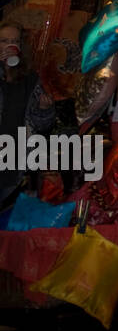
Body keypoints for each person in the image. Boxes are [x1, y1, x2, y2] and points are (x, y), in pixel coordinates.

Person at [0, 23, 55, 209]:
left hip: (16, 163)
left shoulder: (30, 80)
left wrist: (44, 109)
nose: (10, 45)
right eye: (4, 41)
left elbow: (42, 125)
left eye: (14, 41)